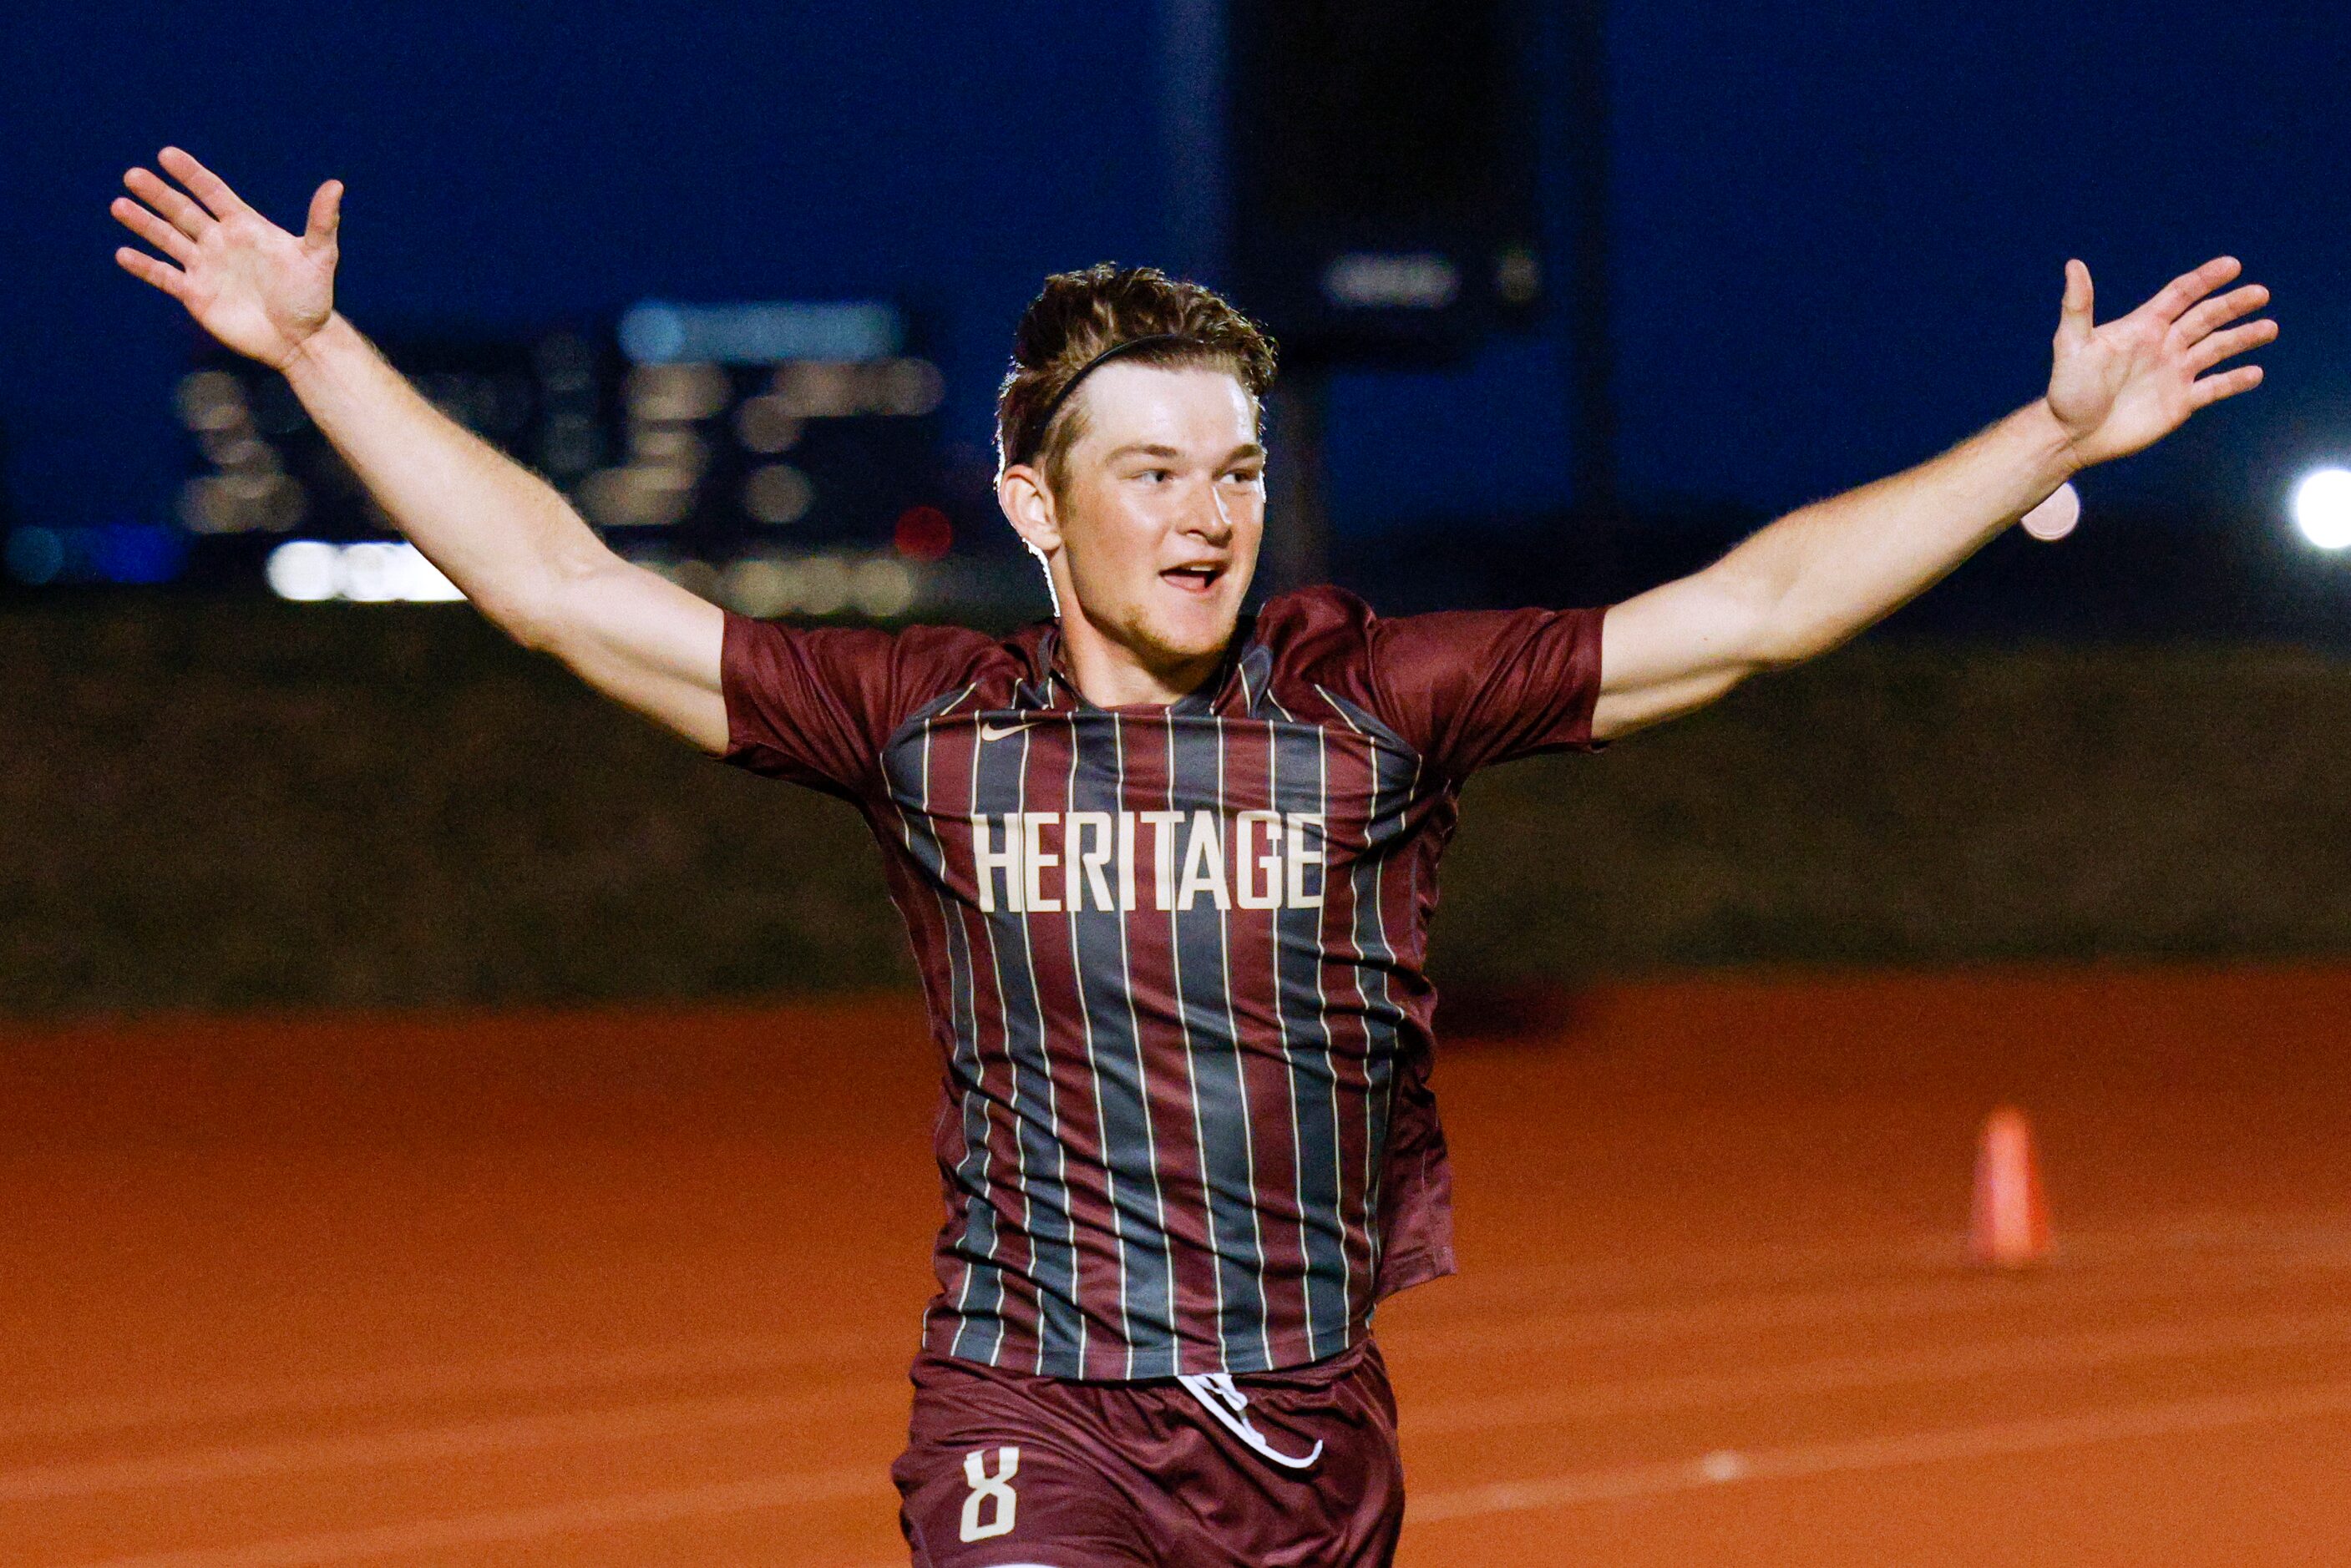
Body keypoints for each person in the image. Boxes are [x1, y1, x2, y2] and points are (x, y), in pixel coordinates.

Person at [112, 147, 2272, 1566]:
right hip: (1028, 1410)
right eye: (1146, 469)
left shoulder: (1374, 703)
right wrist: (320, 352)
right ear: (1041, 509)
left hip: (1321, 1438)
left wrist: (2050, 440)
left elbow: (1760, 606)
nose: (1205, 510)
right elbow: (573, 593)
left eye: (1235, 465)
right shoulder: (929, 729)